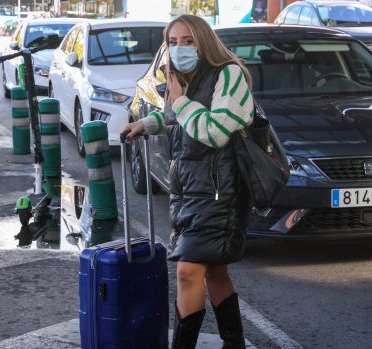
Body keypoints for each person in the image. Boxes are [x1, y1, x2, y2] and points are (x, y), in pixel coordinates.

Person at [121, 14, 254, 349]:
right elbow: (176, 119)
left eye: (188, 41)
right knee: (214, 271)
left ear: (204, 42)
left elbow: (215, 131)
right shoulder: (182, 79)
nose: (179, 48)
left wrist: (179, 100)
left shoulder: (230, 74)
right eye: (173, 42)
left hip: (220, 192)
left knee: (188, 271)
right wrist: (147, 124)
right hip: (188, 190)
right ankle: (234, 343)